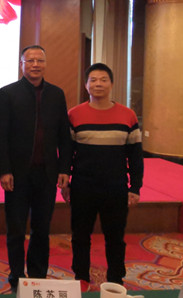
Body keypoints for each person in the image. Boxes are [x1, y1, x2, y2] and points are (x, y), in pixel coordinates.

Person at [0, 45, 72, 292]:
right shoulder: (7, 93)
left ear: (45, 64)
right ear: (21, 64)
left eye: (40, 60)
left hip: (46, 173)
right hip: (16, 174)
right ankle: (16, 276)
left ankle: (37, 275)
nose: (35, 64)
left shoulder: (56, 94)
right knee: (16, 228)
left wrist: (64, 169)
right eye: (30, 60)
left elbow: (64, 136)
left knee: (42, 228)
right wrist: (4, 170)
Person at [62, 63, 143, 289]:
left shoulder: (128, 116)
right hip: (82, 186)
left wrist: (135, 187)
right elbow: (67, 153)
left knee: (115, 237)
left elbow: (135, 156)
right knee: (80, 236)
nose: (98, 84)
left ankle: (116, 279)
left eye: (103, 80)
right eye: (93, 80)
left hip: (116, 187)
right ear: (86, 85)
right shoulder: (74, 115)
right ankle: (81, 277)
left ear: (112, 84)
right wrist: (66, 183)